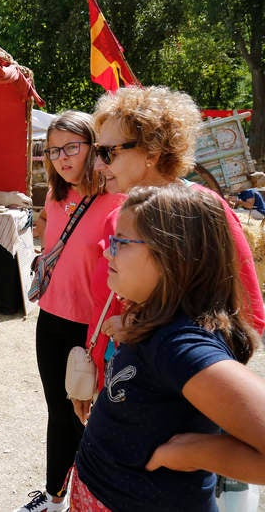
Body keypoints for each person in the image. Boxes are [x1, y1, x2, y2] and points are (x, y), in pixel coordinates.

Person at [75, 86, 265, 423]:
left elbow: (248, 316)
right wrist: (95, 375)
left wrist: (142, 327)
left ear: (152, 150)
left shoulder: (203, 213)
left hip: (171, 402)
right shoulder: (117, 216)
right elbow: (105, 307)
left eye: (108, 153)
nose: (99, 165)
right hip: (120, 383)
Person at [71, 184, 265, 511]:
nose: (106, 253)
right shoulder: (157, 320)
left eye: (121, 242)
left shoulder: (180, 343)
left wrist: (192, 453)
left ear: (173, 256)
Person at [15, 111, 125, 512]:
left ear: (93, 147)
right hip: (51, 318)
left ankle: (88, 497)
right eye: (53, 150)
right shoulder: (55, 195)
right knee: (58, 410)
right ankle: (54, 497)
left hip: (93, 326)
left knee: (90, 415)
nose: (61, 157)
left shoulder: (118, 200)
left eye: (71, 148)